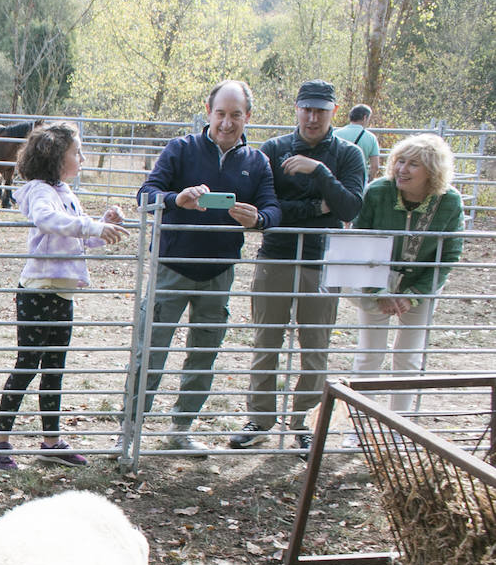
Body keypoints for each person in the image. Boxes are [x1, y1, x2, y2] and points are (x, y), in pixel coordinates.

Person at [131, 80, 281, 452]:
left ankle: (180, 429)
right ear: (208, 112)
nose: (227, 123)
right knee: (150, 347)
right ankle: (131, 428)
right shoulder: (181, 149)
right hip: (173, 266)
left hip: (219, 272)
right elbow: (145, 194)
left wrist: (258, 218)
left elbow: (274, 208)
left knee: (204, 352)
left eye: (236, 115)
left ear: (248, 116)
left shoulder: (256, 162)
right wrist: (175, 199)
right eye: (221, 114)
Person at [231, 79, 366, 454]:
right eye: (306, 108)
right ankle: (259, 419)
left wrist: (319, 172)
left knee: (316, 344)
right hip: (277, 254)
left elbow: (351, 207)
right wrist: (318, 208)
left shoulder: (348, 154)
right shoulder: (273, 150)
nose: (312, 117)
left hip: (323, 260)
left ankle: (305, 422)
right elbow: (266, 209)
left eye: (320, 110)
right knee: (266, 339)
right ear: (296, 108)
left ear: (333, 112)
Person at [0, 122, 129, 470]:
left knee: (54, 370)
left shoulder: (65, 190)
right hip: (38, 293)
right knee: (27, 366)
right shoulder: (40, 191)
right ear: (56, 155)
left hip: (63, 294)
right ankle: (1, 441)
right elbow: (48, 221)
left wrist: (103, 223)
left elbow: (80, 238)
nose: (81, 158)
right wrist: (92, 225)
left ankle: (51, 442)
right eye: (76, 152)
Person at [350, 133, 464, 415]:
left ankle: (400, 425)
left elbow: (449, 255)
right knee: (369, 354)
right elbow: (359, 242)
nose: (402, 169)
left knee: (408, 357)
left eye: (413, 164)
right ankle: (361, 427)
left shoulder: (449, 202)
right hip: (376, 280)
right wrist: (377, 291)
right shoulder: (377, 192)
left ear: (432, 171)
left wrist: (414, 296)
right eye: (400, 161)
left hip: (419, 285)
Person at [335, 104, 381, 180]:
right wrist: (369, 180)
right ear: (365, 117)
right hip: (359, 178)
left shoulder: (335, 134)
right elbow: (375, 166)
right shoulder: (371, 138)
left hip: (338, 177)